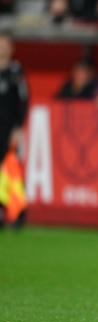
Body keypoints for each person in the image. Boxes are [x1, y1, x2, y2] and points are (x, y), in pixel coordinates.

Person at [0, 32, 28, 227]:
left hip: (8, 129)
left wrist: (18, 127)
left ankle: (18, 213)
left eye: (4, 44)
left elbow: (24, 99)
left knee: (12, 171)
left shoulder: (15, 72)